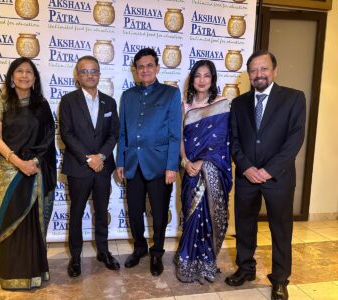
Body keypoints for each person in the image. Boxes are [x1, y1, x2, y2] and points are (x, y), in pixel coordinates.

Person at [225, 50, 306, 300]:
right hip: (246, 177)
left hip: (278, 179)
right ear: (248, 74)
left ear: (274, 70)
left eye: (264, 69)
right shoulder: (239, 103)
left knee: (280, 230)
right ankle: (246, 268)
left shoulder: (294, 98)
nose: (258, 74)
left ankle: (280, 279)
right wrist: (247, 168)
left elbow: (294, 140)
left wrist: (268, 170)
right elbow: (234, 141)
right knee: (245, 226)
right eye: (253, 70)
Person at [0, 57, 56, 290]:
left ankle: (34, 273)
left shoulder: (41, 104)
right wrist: (18, 162)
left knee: (32, 224)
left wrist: (34, 162)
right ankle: (10, 274)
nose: (25, 75)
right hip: (7, 170)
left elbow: (48, 138)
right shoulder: (0, 100)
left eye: (29, 71)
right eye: (20, 71)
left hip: (35, 168)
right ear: (12, 75)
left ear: (35, 77)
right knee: (12, 219)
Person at [116, 48, 181, 276]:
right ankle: (140, 248)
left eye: (149, 65)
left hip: (160, 166)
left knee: (160, 213)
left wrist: (172, 166)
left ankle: (157, 252)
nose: (145, 70)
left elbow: (175, 134)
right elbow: (122, 131)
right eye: (140, 66)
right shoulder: (128, 96)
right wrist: (120, 160)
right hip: (133, 164)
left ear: (157, 68)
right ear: (135, 70)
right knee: (134, 211)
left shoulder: (170, 94)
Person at [59, 55, 120, 278]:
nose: (90, 75)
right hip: (79, 167)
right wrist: (89, 159)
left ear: (99, 74)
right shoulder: (68, 101)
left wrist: (101, 156)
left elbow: (114, 133)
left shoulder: (109, 102)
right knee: (76, 212)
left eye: (94, 70)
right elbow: (67, 134)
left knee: (101, 211)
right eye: (84, 71)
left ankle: (103, 252)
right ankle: (75, 257)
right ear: (77, 76)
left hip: (103, 167)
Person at [176, 60, 232, 283]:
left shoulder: (222, 105)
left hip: (211, 170)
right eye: (197, 75)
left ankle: (207, 262)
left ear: (213, 79)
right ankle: (187, 261)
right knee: (192, 216)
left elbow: (223, 142)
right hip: (189, 170)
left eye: (206, 75)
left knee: (207, 216)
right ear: (192, 79)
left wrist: (202, 161)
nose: (201, 80)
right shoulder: (184, 106)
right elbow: (180, 137)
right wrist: (185, 161)